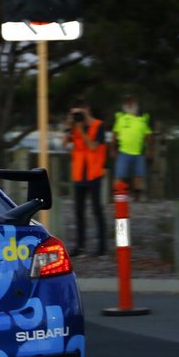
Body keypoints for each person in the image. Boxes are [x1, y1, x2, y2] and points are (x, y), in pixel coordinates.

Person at [62, 98, 107, 257]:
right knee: (78, 211)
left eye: (79, 112)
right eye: (75, 113)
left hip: (94, 173)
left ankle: (102, 247)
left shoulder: (98, 125)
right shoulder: (74, 126)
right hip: (79, 173)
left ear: (87, 110)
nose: (78, 116)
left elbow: (93, 146)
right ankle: (80, 246)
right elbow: (64, 144)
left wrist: (81, 130)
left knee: (97, 210)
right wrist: (68, 127)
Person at [112, 94, 153, 200]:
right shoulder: (120, 117)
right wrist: (113, 149)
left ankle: (137, 199)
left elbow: (147, 134)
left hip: (139, 153)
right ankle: (119, 200)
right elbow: (115, 134)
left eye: (131, 102)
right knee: (119, 176)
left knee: (138, 177)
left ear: (136, 103)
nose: (129, 104)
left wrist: (149, 149)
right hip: (123, 152)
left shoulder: (144, 118)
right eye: (127, 102)